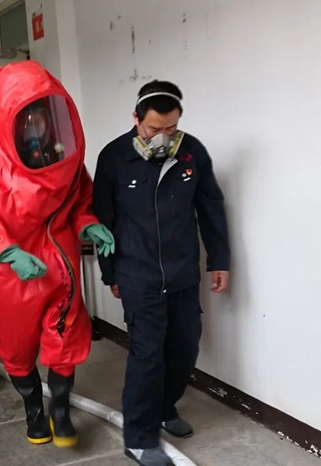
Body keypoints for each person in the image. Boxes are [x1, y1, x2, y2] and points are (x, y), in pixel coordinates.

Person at [0, 61, 115, 448]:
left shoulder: (64, 156)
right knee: (16, 347)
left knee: (66, 337)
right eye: (26, 117)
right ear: (10, 118)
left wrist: (88, 224)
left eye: (42, 115)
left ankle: (60, 408)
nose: (35, 125)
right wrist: (7, 251)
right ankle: (33, 410)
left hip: (59, 265)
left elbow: (80, 199)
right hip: (12, 275)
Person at [93, 81, 230, 466]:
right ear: (136, 119)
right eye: (155, 128)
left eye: (171, 128)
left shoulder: (191, 152)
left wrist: (219, 260)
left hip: (183, 271)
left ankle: (165, 406)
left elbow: (211, 207)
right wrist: (110, 273)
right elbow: (102, 219)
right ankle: (139, 438)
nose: (163, 137)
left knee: (185, 347)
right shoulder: (114, 156)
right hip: (137, 273)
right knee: (147, 354)